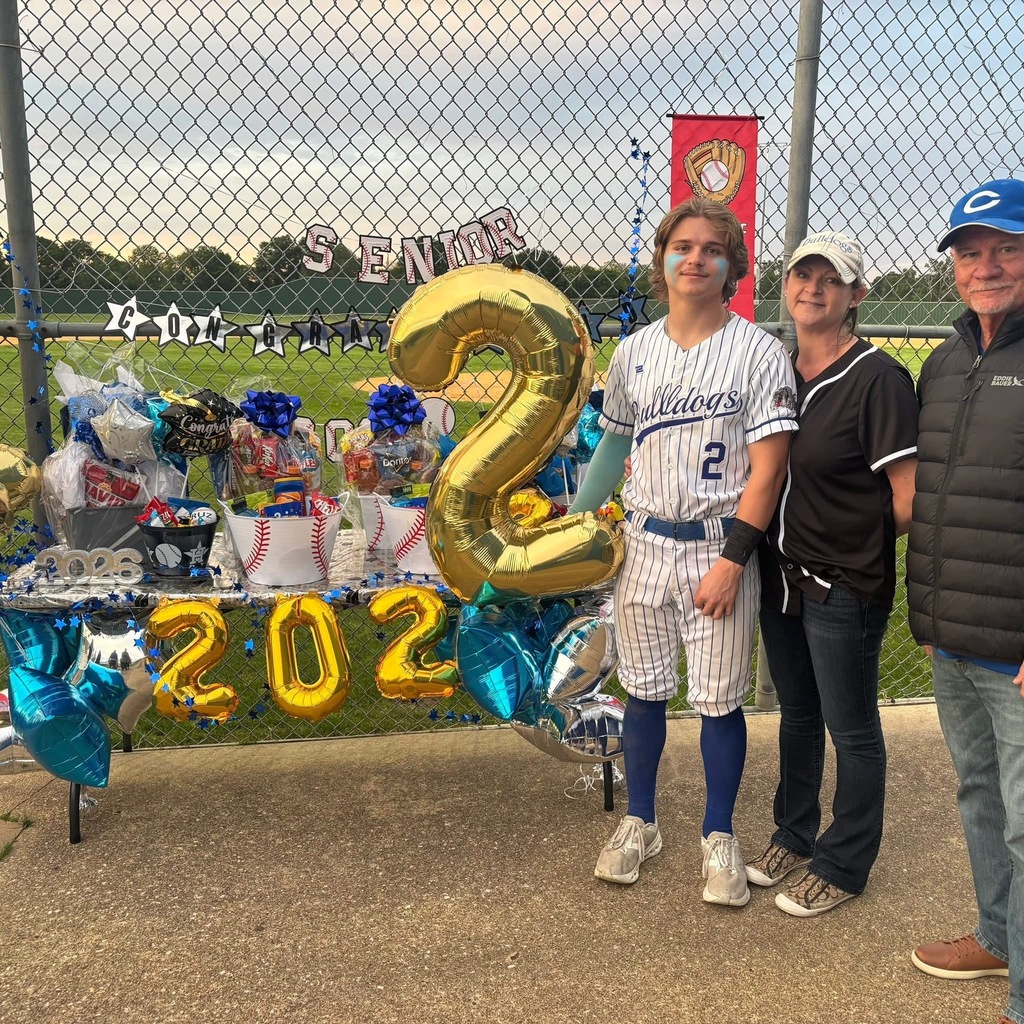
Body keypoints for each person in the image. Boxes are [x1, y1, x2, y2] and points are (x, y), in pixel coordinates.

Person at [569, 196, 797, 905]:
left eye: (712, 249)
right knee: (642, 691)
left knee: (719, 702)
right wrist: (572, 524)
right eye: (683, 245)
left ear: (731, 268)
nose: (695, 257)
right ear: (664, 258)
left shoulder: (757, 349)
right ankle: (641, 822)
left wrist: (733, 559)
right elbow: (611, 446)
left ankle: (718, 832)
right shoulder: (635, 350)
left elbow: (771, 467)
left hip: (715, 546)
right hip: (642, 542)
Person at [748, 232, 919, 917]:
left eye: (830, 279)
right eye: (801, 276)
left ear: (856, 295)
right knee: (797, 713)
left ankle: (844, 864)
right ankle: (794, 831)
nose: (812, 289)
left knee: (850, 728)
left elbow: (906, 499)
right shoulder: (777, 369)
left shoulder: (878, 378)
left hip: (843, 582)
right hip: (780, 572)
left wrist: (851, 549)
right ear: (785, 286)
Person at [907, 178, 1024, 1024]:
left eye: (1008, 248)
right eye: (972, 250)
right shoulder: (946, 361)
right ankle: (998, 938)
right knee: (979, 797)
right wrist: (936, 620)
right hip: (955, 637)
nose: (987, 266)